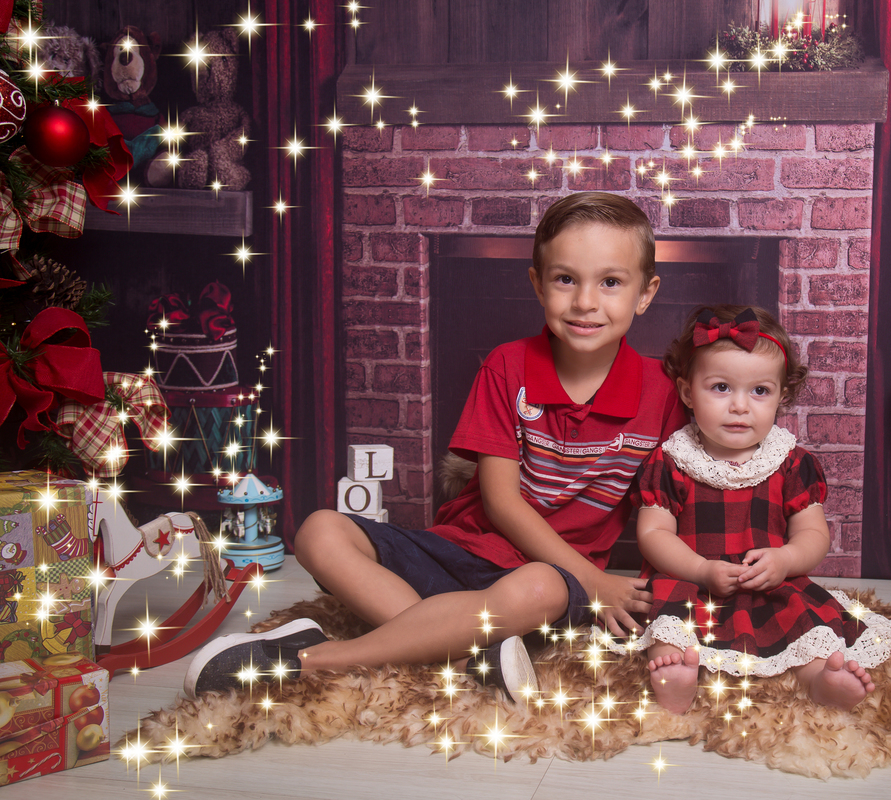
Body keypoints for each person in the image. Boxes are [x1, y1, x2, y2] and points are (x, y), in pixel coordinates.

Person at [184, 192, 688, 701]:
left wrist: (593, 581)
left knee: (539, 585)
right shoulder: (507, 366)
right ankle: (465, 656)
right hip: (459, 552)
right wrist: (592, 579)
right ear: (538, 284)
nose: (585, 302)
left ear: (645, 293)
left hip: (547, 584)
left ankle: (312, 659)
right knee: (319, 531)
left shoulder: (663, 393)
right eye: (565, 279)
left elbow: (671, 509)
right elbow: (501, 502)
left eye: (610, 282)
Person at [605, 305, 891, 713]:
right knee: (670, 622)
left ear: (782, 396)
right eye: (721, 387)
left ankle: (820, 680)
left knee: (806, 624)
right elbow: (653, 534)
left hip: (769, 585)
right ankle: (675, 675)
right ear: (687, 392)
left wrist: (785, 560)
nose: (740, 406)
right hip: (691, 581)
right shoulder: (672, 460)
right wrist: (700, 569)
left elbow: (813, 533)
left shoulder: (790, 461)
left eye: (759, 391)